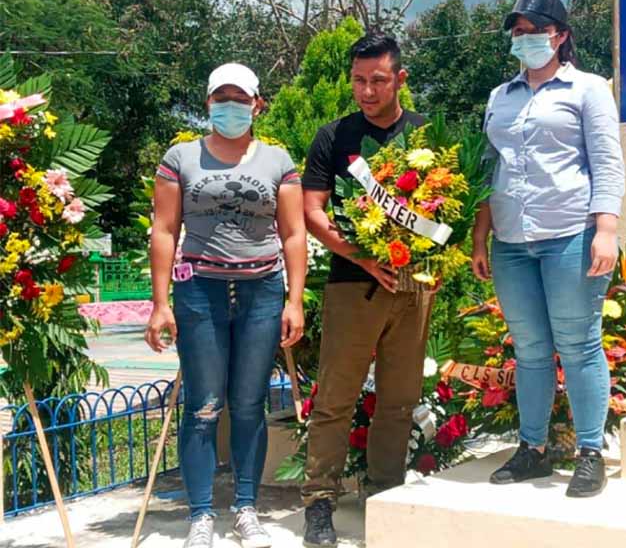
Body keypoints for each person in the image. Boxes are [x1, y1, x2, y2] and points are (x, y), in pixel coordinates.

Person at [471, 0, 625, 499]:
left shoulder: (588, 89)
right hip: (511, 241)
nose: (525, 39)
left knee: (579, 345)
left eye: (535, 30)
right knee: (531, 350)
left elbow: (607, 162)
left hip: (571, 234)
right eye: (518, 31)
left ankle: (589, 453)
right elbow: (488, 167)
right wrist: (480, 235)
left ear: (559, 36)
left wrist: (606, 229)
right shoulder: (500, 96)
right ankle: (532, 450)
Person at [145, 62, 306, 548]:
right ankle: (200, 514)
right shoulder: (180, 157)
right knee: (203, 405)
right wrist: (159, 303)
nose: (230, 107)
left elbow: (294, 233)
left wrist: (295, 300)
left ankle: (245, 507)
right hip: (200, 291)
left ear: (257, 104)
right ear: (208, 102)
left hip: (262, 291)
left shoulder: (277, 160)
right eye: (222, 98)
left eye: (240, 99)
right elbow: (164, 230)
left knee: (250, 403)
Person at [300, 33, 431, 546]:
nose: (367, 91)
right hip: (353, 283)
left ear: (400, 78)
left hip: (414, 285)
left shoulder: (425, 134)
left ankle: (384, 496)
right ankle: (319, 503)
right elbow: (313, 210)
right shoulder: (335, 137)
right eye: (358, 81)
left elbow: (449, 209)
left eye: (378, 80)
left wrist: (437, 256)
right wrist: (361, 255)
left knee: (399, 400)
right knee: (335, 398)